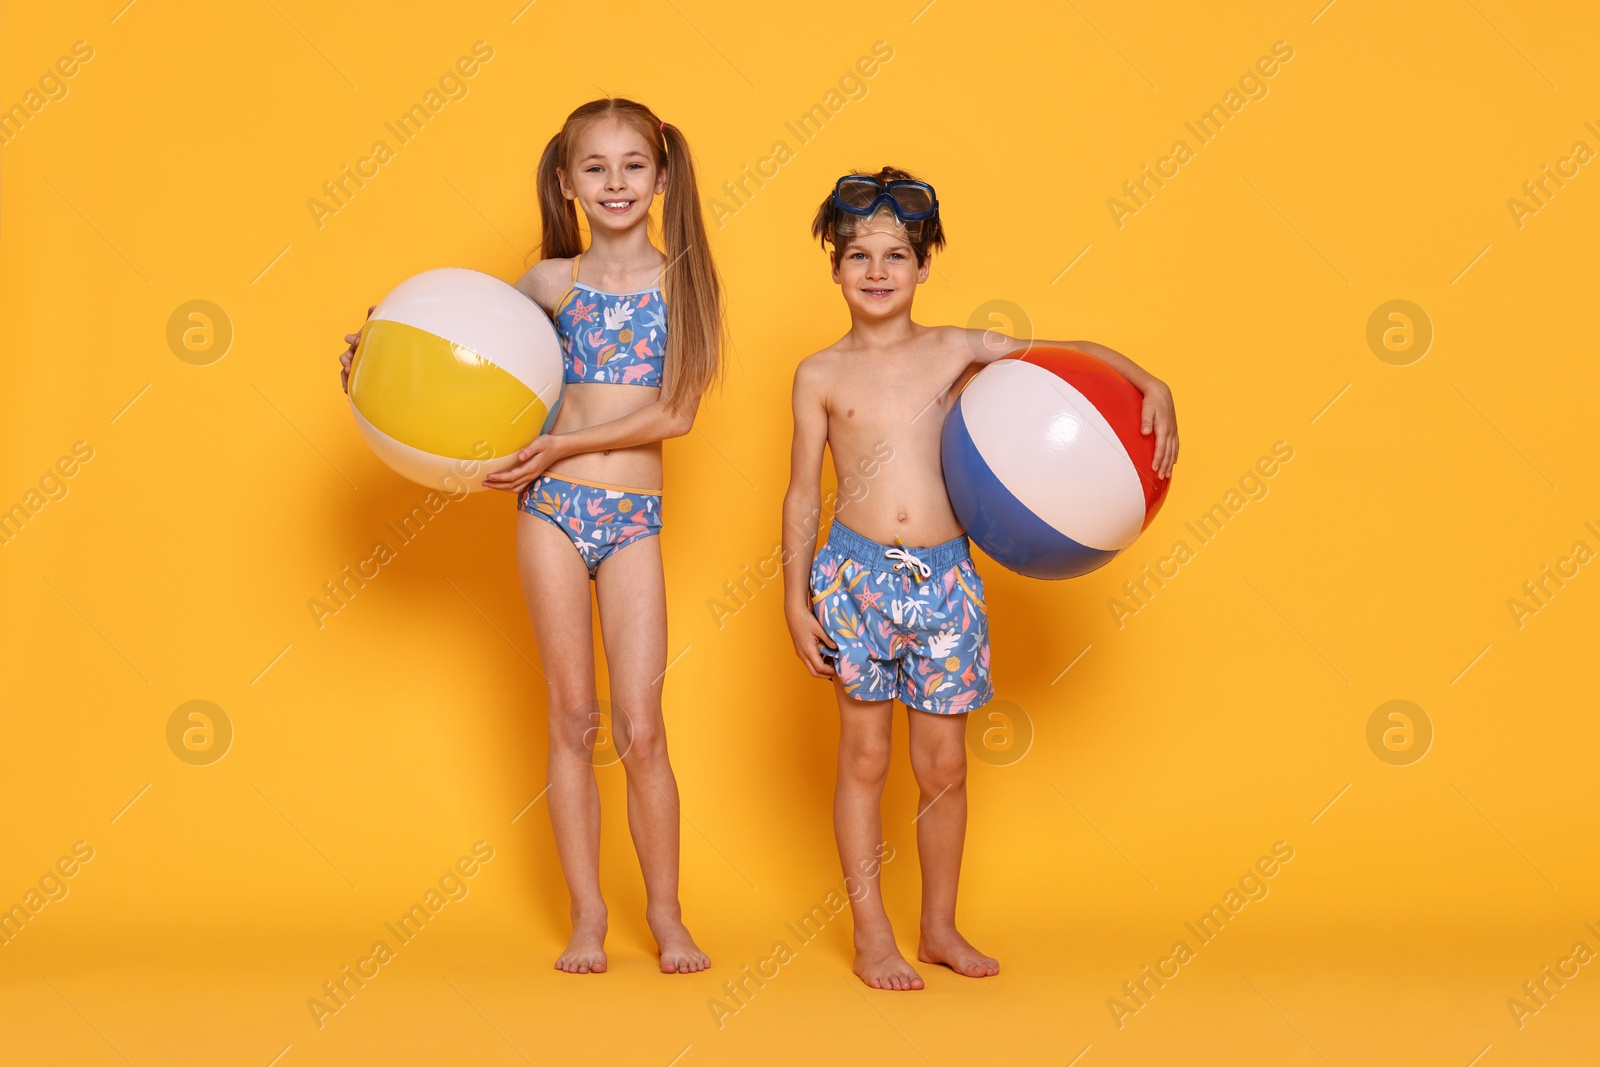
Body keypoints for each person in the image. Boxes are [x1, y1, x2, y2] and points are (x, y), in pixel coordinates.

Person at [340, 98, 723, 975]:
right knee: (571, 716)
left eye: (633, 165)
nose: (615, 183)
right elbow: (471, 358)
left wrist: (567, 442)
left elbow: (676, 413)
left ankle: (665, 916)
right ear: (567, 180)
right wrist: (384, 359)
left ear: (661, 176)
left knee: (642, 726)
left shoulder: (683, 282)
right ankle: (588, 914)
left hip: (630, 518)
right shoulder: (548, 284)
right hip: (550, 512)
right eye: (596, 168)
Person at [781, 167, 1178, 990]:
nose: (879, 271)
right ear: (834, 269)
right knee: (862, 758)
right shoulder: (818, 374)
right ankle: (871, 934)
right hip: (855, 577)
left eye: (897, 255)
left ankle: (938, 926)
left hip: (946, 584)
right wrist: (794, 597)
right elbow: (800, 493)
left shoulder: (956, 348)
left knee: (945, 767)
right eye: (860, 256)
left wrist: (1150, 381)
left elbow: (1063, 361)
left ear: (924, 266)